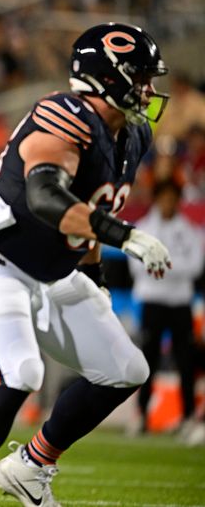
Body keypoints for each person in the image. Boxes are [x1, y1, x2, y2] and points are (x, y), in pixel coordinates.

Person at [0, 23, 171, 507]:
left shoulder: (134, 133)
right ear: (108, 76)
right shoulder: (64, 112)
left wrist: (93, 275)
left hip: (56, 267)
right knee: (20, 372)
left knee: (126, 368)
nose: (148, 89)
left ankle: (31, 467)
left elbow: (93, 208)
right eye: (140, 77)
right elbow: (45, 196)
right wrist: (125, 237)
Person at [128, 179, 203, 436]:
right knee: (147, 360)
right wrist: (173, 268)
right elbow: (136, 266)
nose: (168, 202)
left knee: (185, 360)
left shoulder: (191, 231)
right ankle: (141, 415)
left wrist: (162, 266)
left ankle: (189, 417)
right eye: (164, 197)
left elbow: (196, 266)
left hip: (180, 303)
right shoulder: (144, 229)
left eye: (173, 198)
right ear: (157, 199)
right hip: (152, 302)